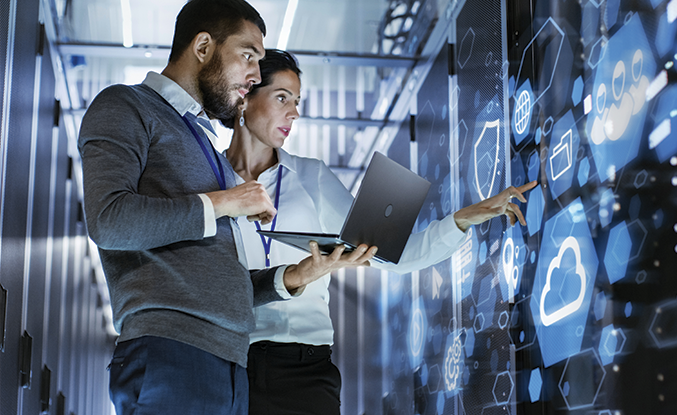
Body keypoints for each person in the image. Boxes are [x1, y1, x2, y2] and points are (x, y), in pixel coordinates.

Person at [77, 2, 375, 415]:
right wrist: (227, 201)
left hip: (230, 364)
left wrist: (296, 276)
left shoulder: (208, 151)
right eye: (248, 55)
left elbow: (222, 283)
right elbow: (110, 220)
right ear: (203, 46)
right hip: (171, 352)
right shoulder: (127, 106)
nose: (254, 74)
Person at [222, 49, 538, 415]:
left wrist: (463, 219)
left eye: (297, 101)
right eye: (282, 98)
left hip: (304, 370)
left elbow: (393, 256)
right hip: (228, 363)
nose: (294, 113)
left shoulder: (313, 177)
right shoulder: (208, 181)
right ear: (245, 97)